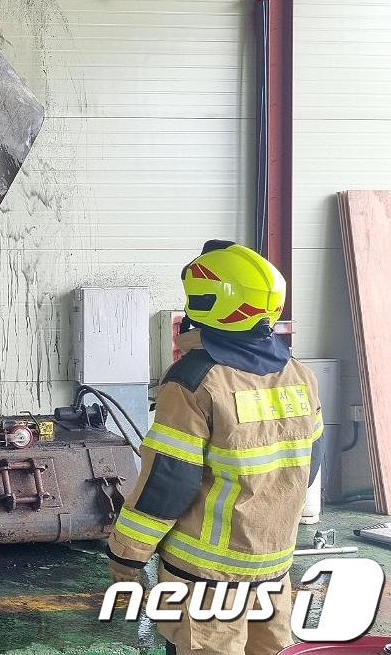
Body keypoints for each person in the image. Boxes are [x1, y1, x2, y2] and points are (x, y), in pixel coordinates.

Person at [106, 241, 323, 655]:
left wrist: (127, 555)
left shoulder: (193, 380)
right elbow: (308, 469)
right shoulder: (300, 376)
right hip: (273, 571)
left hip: (205, 580)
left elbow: (167, 483)